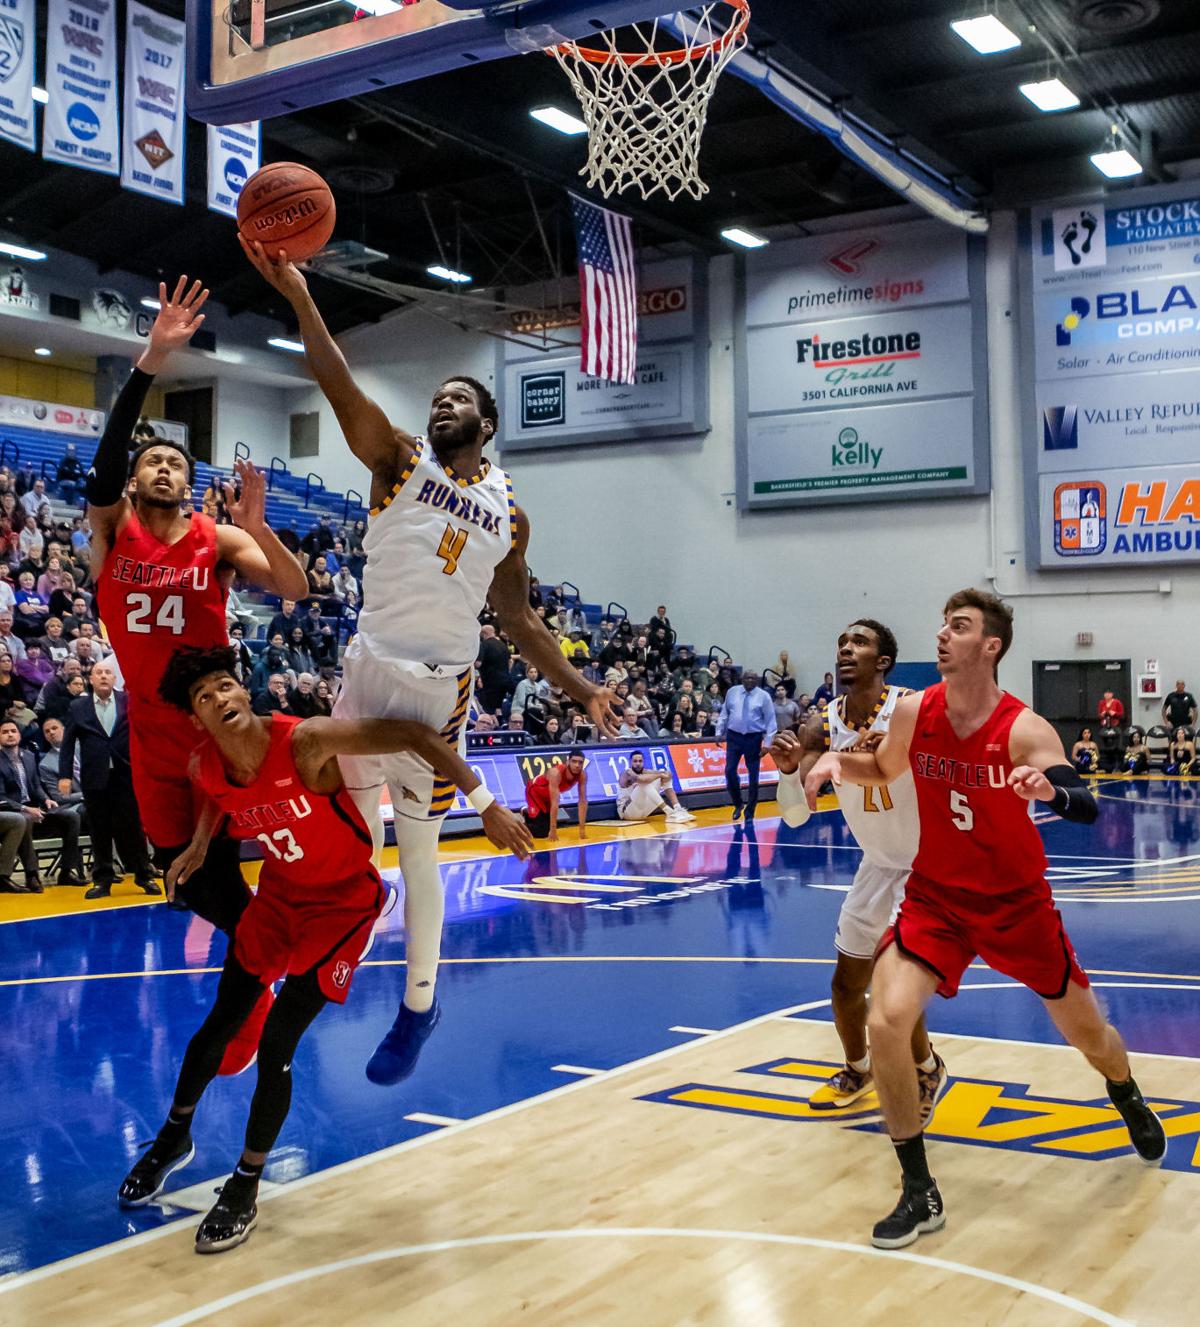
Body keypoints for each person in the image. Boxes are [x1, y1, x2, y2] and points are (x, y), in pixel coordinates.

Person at [242, 240, 621, 1086]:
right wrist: (303, 298)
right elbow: (340, 383)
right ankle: (278, 964)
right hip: (368, 672)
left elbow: (518, 620)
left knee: (418, 855)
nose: (443, 404)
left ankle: (418, 1005)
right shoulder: (398, 461)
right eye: (438, 396)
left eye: (459, 399)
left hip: (440, 695)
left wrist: (583, 686)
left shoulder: (510, 513)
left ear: (486, 424)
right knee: (335, 835)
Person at [117, 645, 532, 1252]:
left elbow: (414, 733)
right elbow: (212, 791)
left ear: (243, 689)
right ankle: (173, 1137)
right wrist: (203, 843)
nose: (220, 698)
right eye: (204, 697)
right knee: (218, 1025)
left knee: (277, 1044)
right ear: (195, 718)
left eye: (226, 685)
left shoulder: (306, 741)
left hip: (341, 905)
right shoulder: (204, 763)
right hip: (278, 900)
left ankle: (246, 1183)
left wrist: (485, 803)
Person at [802, 588, 1166, 1250]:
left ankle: (1126, 1090)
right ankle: (919, 1190)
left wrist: (1050, 790)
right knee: (887, 1019)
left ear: (989, 646)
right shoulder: (914, 710)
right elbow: (882, 764)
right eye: (942, 623)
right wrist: (834, 761)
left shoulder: (1023, 728)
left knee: (1091, 1035)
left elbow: (1083, 800)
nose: (942, 634)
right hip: (937, 898)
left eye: (959, 626)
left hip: (1014, 906)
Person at [87, 277, 308, 1072]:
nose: (164, 469)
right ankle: (261, 971)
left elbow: (294, 589)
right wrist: (149, 361)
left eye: (176, 462)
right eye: (152, 460)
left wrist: (258, 528)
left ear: (190, 482)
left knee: (270, 864)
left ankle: (258, 989)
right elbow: (105, 466)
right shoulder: (110, 531)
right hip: (150, 731)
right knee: (189, 881)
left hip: (222, 725)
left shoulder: (215, 541)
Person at [773, 620, 943, 1118]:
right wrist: (787, 772)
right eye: (842, 642)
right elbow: (795, 814)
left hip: (923, 869)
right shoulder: (821, 725)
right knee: (846, 985)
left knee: (893, 989)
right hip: (877, 867)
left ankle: (927, 1067)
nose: (846, 648)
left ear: (883, 662)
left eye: (860, 643)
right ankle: (859, 1066)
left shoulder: (910, 709)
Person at [60, 661, 158, 899]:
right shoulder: (78, 706)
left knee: (134, 828)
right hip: (95, 777)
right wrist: (64, 775)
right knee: (99, 829)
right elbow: (68, 743)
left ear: (115, 679)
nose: (103, 676)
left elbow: (144, 736)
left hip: (126, 775)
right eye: (98, 673)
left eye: (108, 673)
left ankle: (144, 875)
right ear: (90, 679)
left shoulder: (129, 701)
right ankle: (102, 880)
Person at [0, 718, 84, 887]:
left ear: (19, 735)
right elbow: (1, 796)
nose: (10, 735)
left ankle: (67, 871)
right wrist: (24, 808)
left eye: (13, 731)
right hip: (13, 810)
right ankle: (32, 874)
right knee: (24, 819)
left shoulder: (29, 756)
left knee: (70, 816)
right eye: (5, 732)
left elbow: (36, 786)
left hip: (35, 808)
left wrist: (46, 799)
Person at [715, 668, 777, 822]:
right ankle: (737, 803)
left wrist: (767, 744)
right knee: (729, 771)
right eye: (747, 678)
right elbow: (724, 713)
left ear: (757, 681)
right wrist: (718, 732)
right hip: (734, 736)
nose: (750, 681)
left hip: (753, 738)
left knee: (753, 776)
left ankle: (750, 810)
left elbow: (771, 721)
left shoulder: (764, 697)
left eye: (753, 678)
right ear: (742, 679)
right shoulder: (732, 692)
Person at [522, 749, 588, 841]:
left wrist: (582, 829)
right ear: (568, 761)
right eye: (574, 761)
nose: (577, 765)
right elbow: (555, 803)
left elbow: (582, 801)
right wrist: (553, 830)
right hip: (535, 791)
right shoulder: (556, 773)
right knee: (542, 833)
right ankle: (526, 814)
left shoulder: (582, 775)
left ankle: (532, 814)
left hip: (549, 796)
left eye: (580, 763)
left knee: (546, 825)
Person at [616, 751, 693, 824]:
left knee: (662, 778)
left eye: (640, 761)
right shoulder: (627, 773)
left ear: (643, 762)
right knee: (644, 783)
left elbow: (668, 774)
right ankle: (670, 812)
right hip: (627, 812)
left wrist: (664, 775)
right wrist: (660, 775)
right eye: (635, 761)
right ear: (630, 762)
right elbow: (642, 780)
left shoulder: (646, 771)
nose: (638, 763)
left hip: (643, 812)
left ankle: (678, 809)